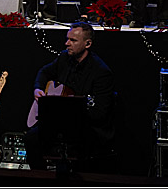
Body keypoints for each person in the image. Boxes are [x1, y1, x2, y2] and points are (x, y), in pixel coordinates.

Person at [27, 22, 116, 171]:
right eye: (67, 39)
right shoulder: (64, 58)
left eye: (73, 40)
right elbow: (44, 72)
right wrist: (38, 89)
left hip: (87, 126)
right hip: (61, 123)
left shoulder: (101, 72)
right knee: (31, 137)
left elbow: (99, 113)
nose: (67, 43)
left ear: (87, 44)